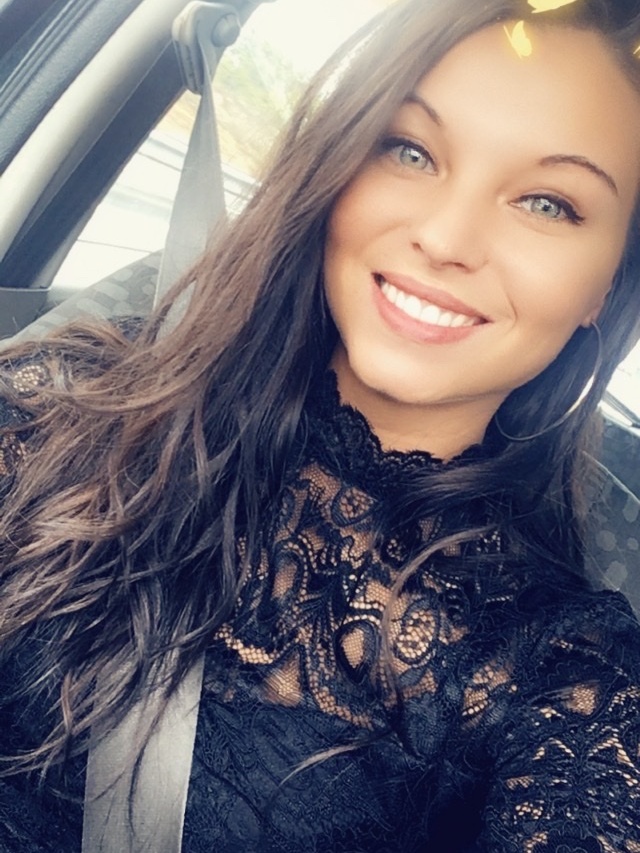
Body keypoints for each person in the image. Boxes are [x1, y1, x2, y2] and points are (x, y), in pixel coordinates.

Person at [0, 0, 639, 849]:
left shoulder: (564, 671)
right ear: (338, 162)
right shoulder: (75, 396)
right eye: (410, 149)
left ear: (607, 283)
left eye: (549, 203)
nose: (446, 237)